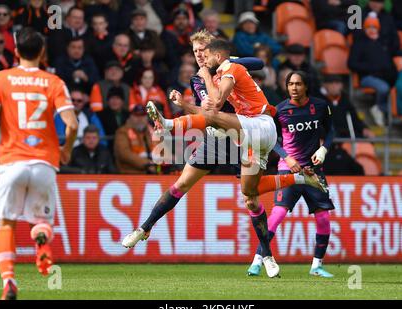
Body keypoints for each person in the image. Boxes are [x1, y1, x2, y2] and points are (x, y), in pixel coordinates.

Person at [123, 39, 327, 278]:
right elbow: (207, 112)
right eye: (195, 52)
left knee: (251, 201)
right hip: (220, 137)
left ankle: (267, 255)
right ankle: (144, 228)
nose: (199, 56)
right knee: (188, 185)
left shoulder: (230, 69)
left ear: (213, 53)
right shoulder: (200, 79)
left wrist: (229, 62)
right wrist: (186, 105)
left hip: (245, 133)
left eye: (203, 51)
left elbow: (256, 65)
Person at [0, 27, 78, 300]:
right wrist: (66, 149)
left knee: (6, 223)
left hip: (11, 162)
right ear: (42, 52)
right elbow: (71, 125)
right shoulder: (54, 82)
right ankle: (43, 242)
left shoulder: (1, 79)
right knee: (42, 222)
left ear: (15, 51)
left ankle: (9, 281)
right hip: (44, 163)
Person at [247, 71, 336, 278]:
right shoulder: (279, 110)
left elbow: (331, 131)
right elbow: (272, 140)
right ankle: (258, 261)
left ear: (306, 86)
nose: (293, 88)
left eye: (298, 84)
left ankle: (317, 266)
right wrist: (287, 157)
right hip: (288, 169)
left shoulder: (320, 106)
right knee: (277, 215)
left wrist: (324, 149)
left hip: (313, 171)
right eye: (290, 84)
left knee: (323, 217)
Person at [348, 12, 397, 126]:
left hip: (384, 76)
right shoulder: (358, 44)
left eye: (374, 27)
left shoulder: (382, 44)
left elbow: (389, 63)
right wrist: (370, 68)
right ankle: (379, 108)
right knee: (383, 88)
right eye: (369, 27)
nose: (372, 30)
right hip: (367, 77)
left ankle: (383, 110)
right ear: (364, 28)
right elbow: (351, 64)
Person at [319, 74, 375, 138]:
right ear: (325, 85)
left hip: (345, 133)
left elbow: (354, 118)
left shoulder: (344, 99)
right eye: (331, 83)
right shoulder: (319, 101)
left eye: (337, 83)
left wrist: (364, 129)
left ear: (341, 85)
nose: (334, 86)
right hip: (327, 135)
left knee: (365, 139)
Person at [114, 104, 158, 174]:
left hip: (154, 173)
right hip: (131, 174)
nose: (140, 119)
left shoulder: (151, 131)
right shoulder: (122, 132)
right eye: (136, 116)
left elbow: (162, 150)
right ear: (130, 117)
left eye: (142, 116)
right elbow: (124, 154)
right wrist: (147, 164)